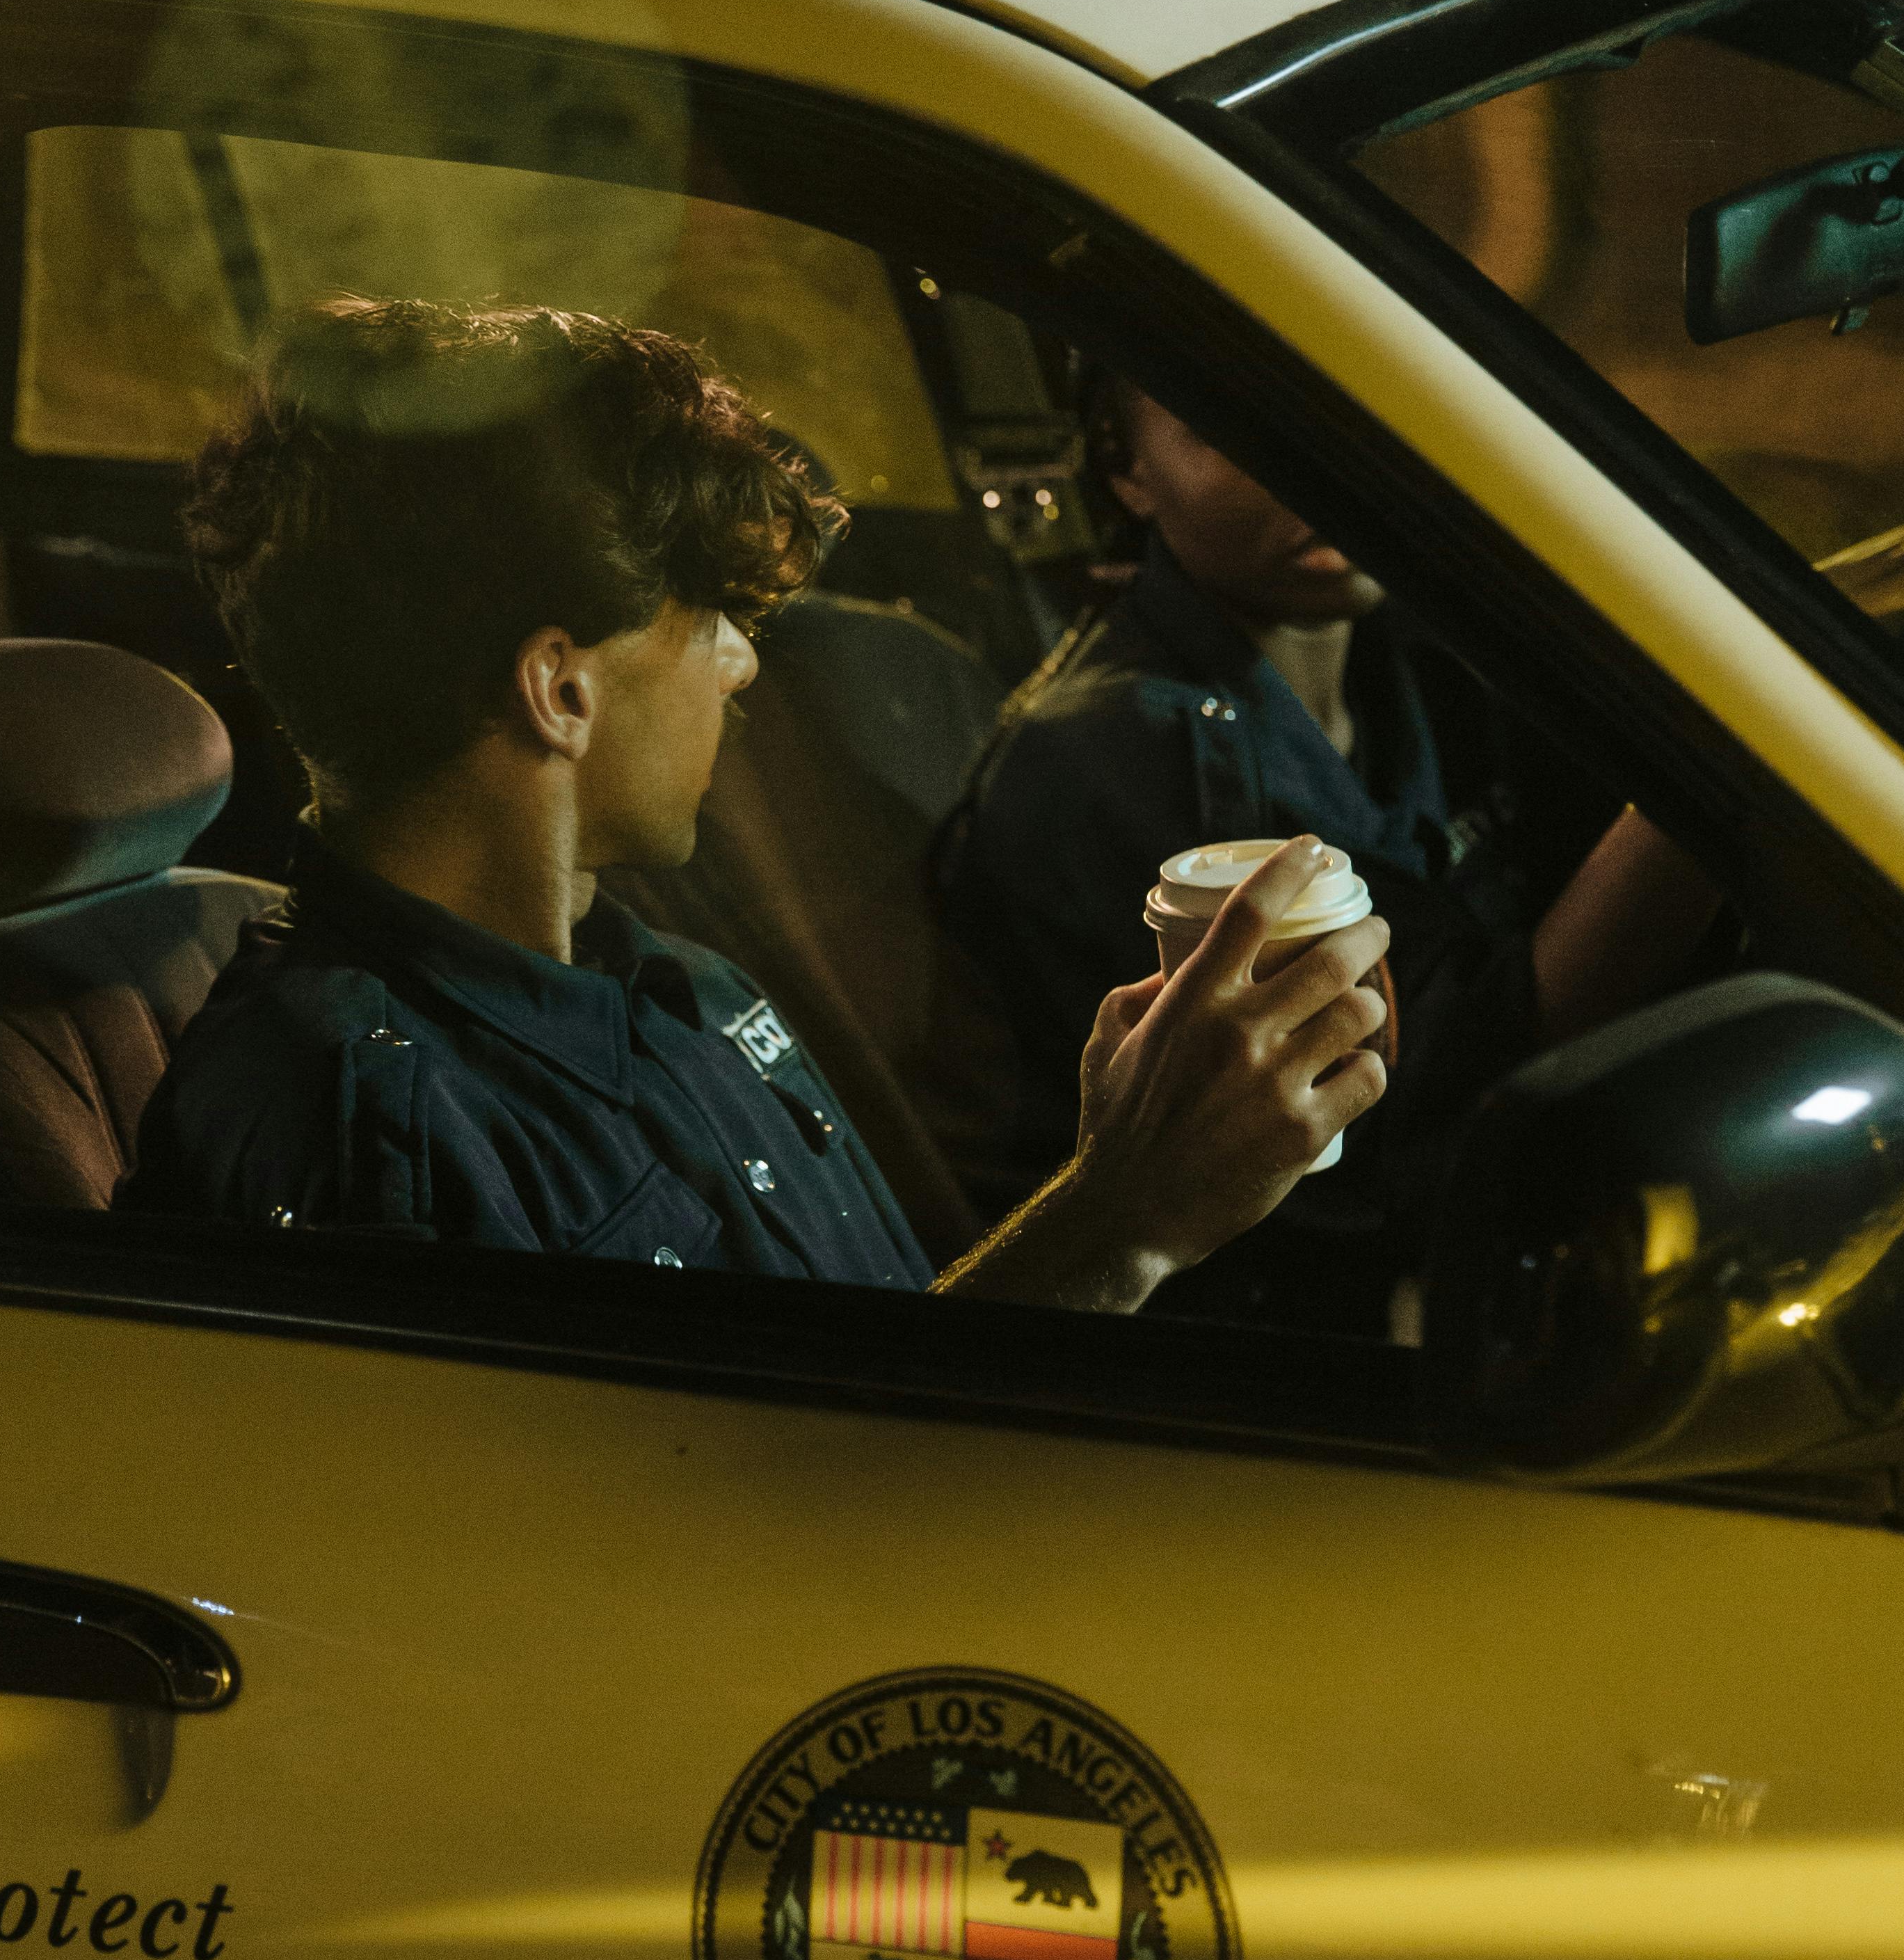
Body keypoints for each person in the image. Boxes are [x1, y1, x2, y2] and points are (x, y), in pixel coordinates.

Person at [125, 298, 1391, 1316]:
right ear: (560, 692)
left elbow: (871, 1393)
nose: (739, 664)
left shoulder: (684, 990)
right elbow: (687, 1577)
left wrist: (1118, 1163)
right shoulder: (364, 1128)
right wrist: (1123, 1218)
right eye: (711, 620)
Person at [938, 377, 1718, 1325]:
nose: (1311, 465)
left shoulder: (1427, 655)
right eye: (1228, 426)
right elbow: (1411, 1125)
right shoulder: (1108, 761)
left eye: (1346, 407)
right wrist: (1726, 775)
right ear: (1125, 470)